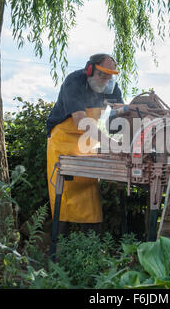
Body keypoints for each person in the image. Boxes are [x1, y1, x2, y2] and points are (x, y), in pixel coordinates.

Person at [46, 53, 124, 237]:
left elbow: (121, 113)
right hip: (63, 141)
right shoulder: (74, 81)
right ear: (90, 70)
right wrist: (112, 144)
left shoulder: (110, 87)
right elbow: (82, 122)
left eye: (109, 77)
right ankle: (58, 251)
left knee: (90, 201)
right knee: (62, 199)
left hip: (87, 143)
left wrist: (127, 118)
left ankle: (91, 252)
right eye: (102, 76)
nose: (106, 81)